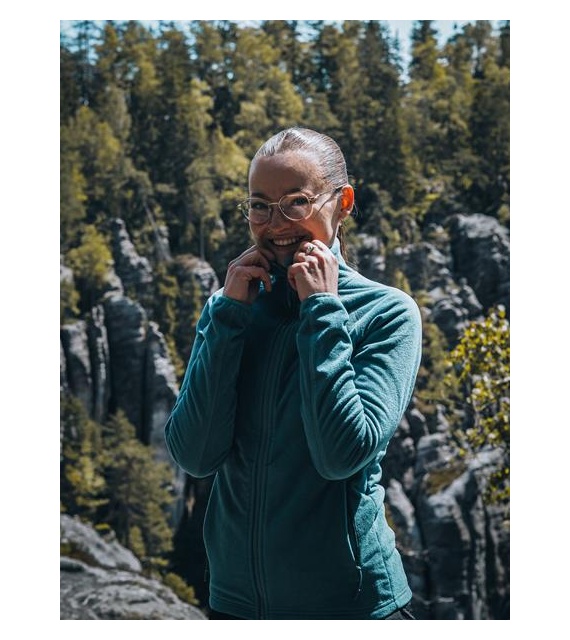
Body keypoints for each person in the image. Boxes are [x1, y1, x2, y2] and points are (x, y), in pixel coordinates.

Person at [164, 127, 422, 620]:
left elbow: (340, 455)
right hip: (236, 607)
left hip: (351, 610)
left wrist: (321, 309)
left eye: (296, 202)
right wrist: (227, 319)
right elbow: (195, 455)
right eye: (260, 206)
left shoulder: (386, 313)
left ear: (343, 203)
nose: (276, 223)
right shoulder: (229, 309)